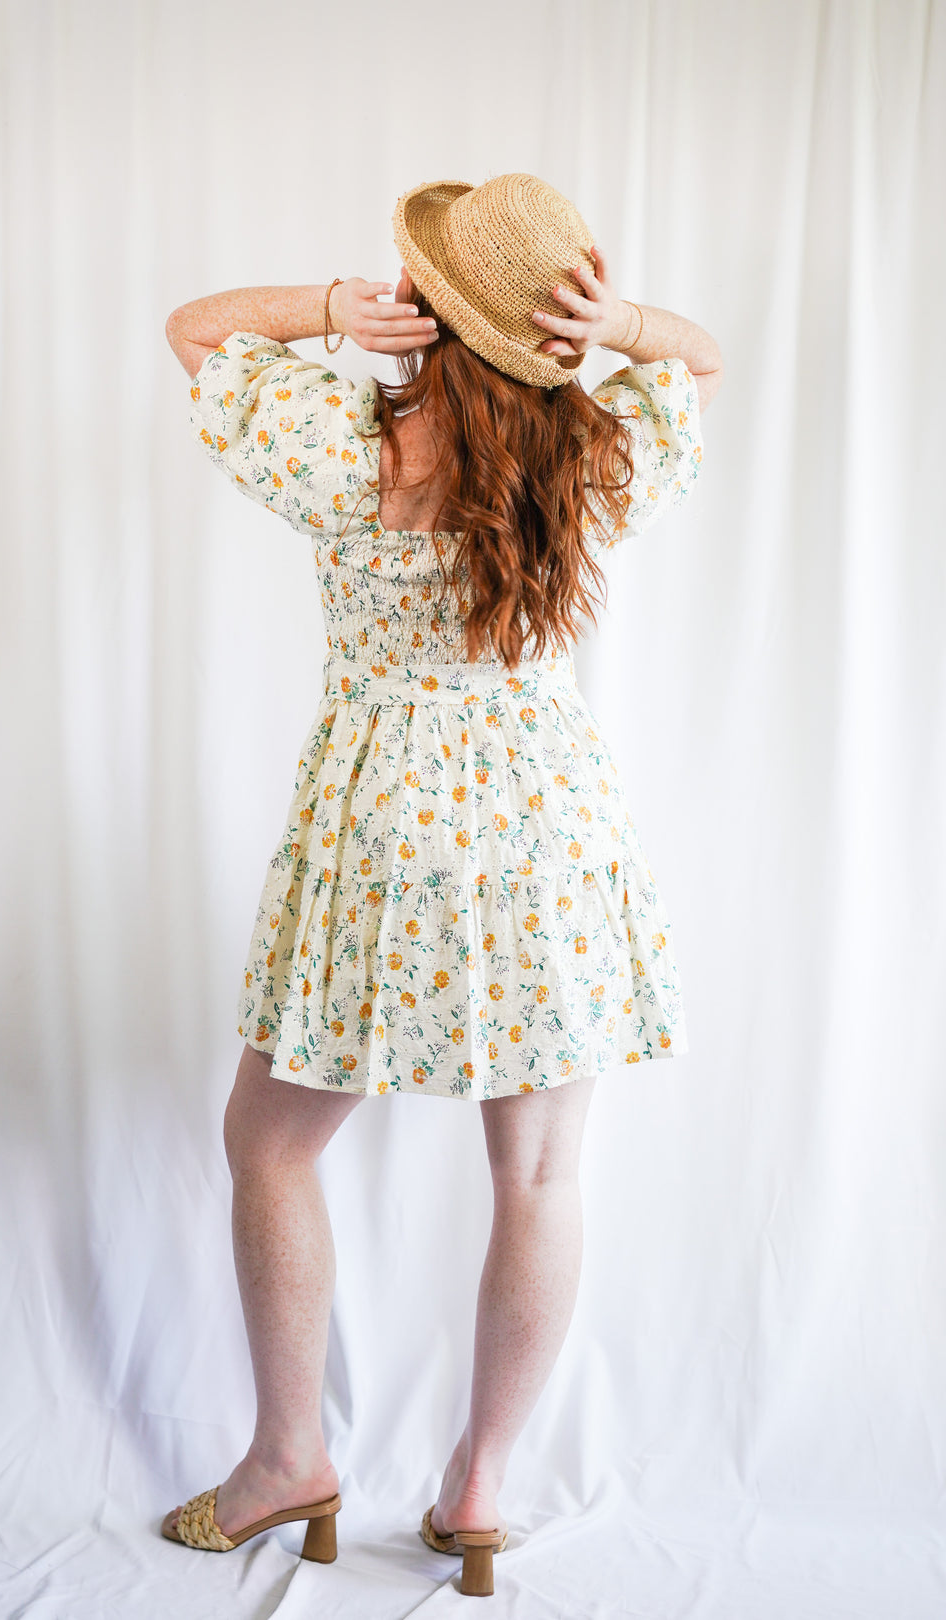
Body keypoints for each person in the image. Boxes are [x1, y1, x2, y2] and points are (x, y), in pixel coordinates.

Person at [161, 173, 723, 1597]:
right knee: (538, 1172)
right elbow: (698, 363)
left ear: (426, 309)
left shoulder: (346, 445)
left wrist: (323, 311)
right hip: (546, 822)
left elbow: (194, 330)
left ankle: (292, 1457)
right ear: (548, 333)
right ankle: (480, 1492)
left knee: (272, 1143)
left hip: (385, 821)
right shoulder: (593, 454)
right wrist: (630, 324)